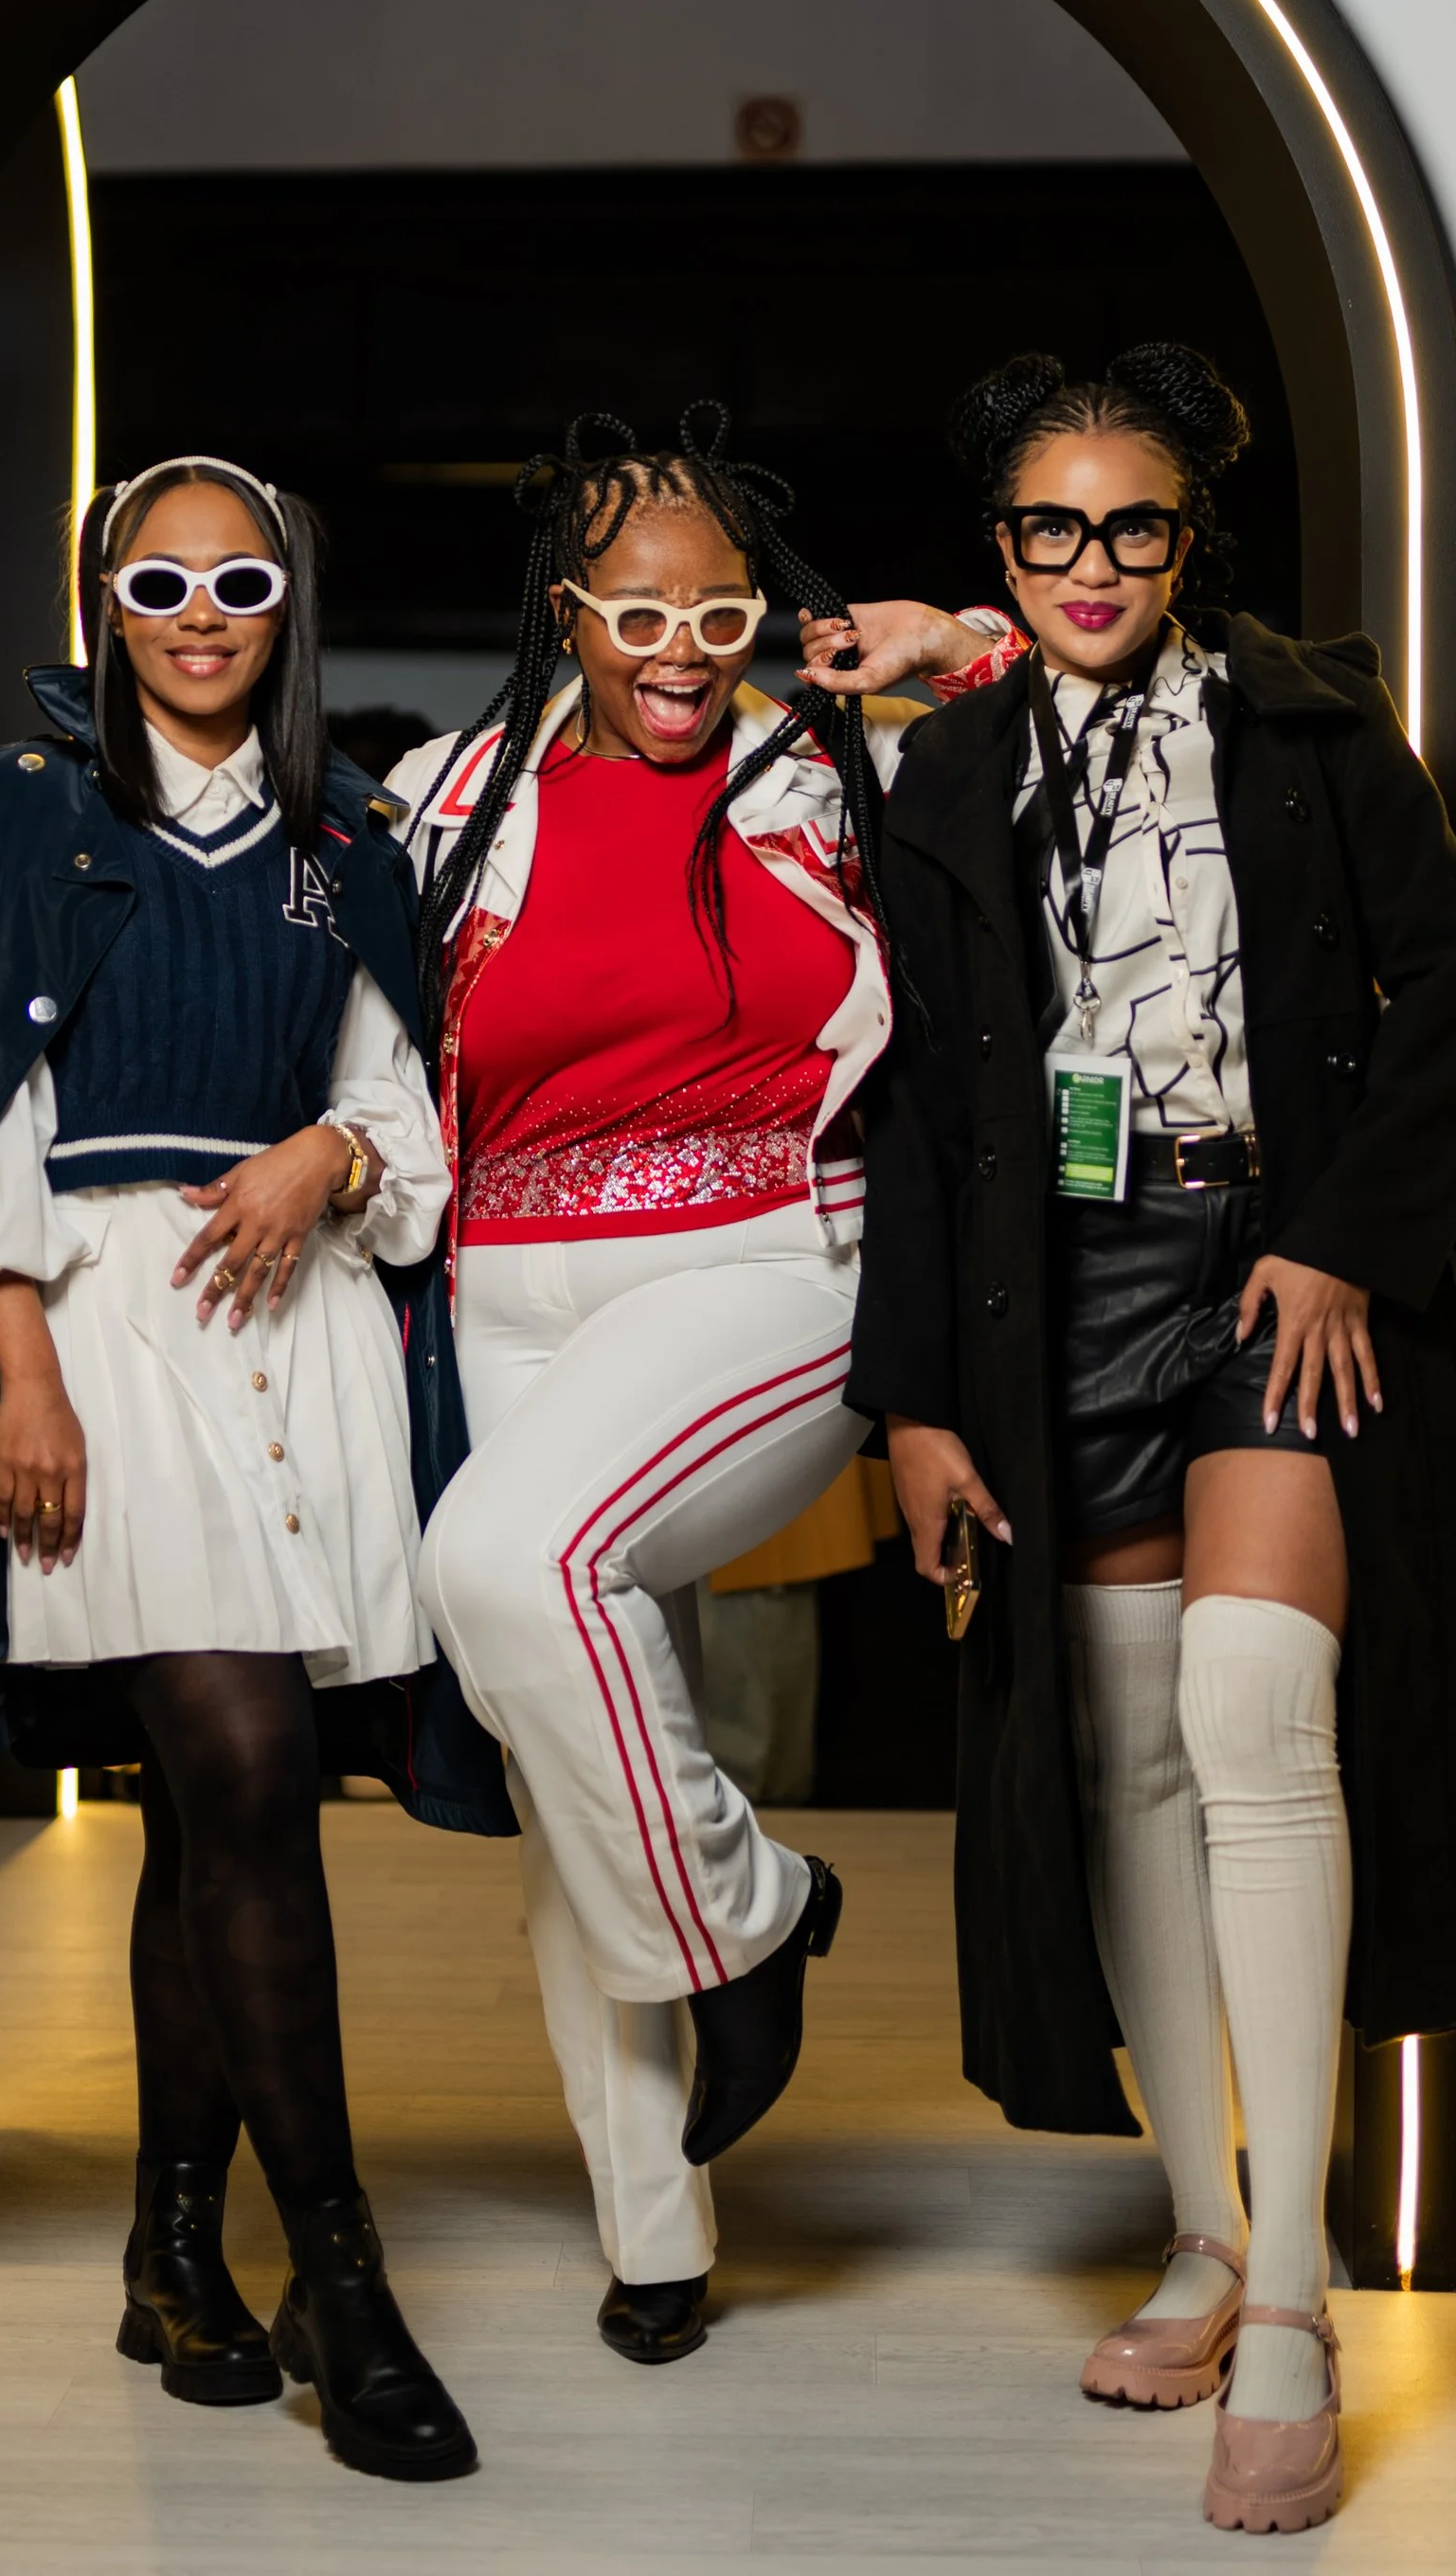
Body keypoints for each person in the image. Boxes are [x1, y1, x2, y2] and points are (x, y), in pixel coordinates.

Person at [833, 348, 1456, 2535]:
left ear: (1186, 536)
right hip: (1053, 1289)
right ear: (1000, 547)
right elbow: (911, 1101)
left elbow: (1449, 990)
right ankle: (1204, 2224)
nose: (1090, 563)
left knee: (1257, 1705)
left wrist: (1344, 1241)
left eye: (1130, 522)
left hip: (1273, 1259)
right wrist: (916, 1400)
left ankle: (1293, 2296)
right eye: (1048, 527)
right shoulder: (947, 764)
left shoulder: (1313, 722)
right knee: (1131, 1755)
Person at [0, 456, 484, 2482]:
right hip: (103, 1334)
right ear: (103, 597)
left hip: (300, 1334)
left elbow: (397, 1102)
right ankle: (339, 2275)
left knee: (217, 1803)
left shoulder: (347, 837)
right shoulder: (9, 809)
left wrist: (323, 1151)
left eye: (237, 580)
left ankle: (174, 2252)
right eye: (155, 581)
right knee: (244, 1771)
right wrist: (24, 1371)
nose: (197, 616)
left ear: (286, 600)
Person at [390, 408, 929, 2370]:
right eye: (638, 613)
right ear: (568, 613)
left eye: (720, 610)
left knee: (508, 1566)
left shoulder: (841, 768)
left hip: (761, 1262)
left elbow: (1069, 704)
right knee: (576, 1765)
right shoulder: (452, 797)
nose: (683, 651)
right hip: (508, 1289)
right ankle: (654, 2227)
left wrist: (940, 642)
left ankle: (754, 1910)